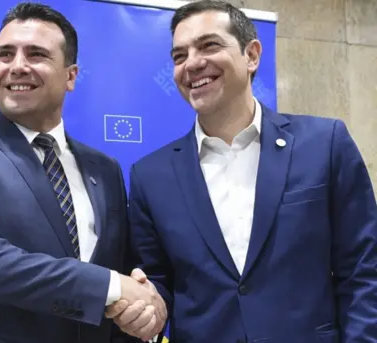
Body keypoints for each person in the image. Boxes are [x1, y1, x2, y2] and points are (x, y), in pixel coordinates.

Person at [109, 1, 377, 342]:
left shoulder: (324, 144)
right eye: (179, 55)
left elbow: (363, 269)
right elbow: (158, 280)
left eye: (209, 46)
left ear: (251, 55)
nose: (192, 63)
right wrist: (147, 308)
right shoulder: (150, 175)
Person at [0, 3, 165, 343]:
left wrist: (145, 311)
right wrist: (110, 285)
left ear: (70, 76)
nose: (17, 66)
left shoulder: (105, 168)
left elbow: (122, 268)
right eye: (5, 55)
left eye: (36, 54)